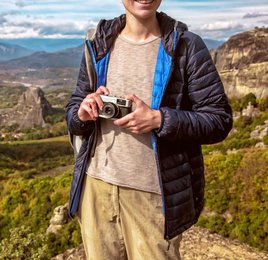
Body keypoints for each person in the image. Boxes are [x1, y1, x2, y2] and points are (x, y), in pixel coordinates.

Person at [65, 0, 233, 259]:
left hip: (153, 194)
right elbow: (76, 104)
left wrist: (159, 120)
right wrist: (82, 113)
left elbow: (219, 120)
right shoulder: (99, 41)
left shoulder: (185, 45)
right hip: (96, 188)